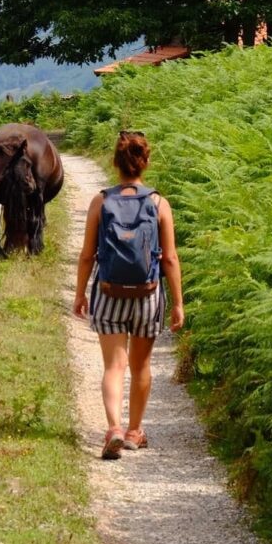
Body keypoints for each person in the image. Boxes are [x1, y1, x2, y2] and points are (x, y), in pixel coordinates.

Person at [73, 130, 184, 460]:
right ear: (145, 162)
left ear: (115, 163)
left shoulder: (101, 201)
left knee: (114, 367)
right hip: (148, 297)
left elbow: (86, 255)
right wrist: (177, 303)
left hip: (109, 294)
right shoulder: (158, 203)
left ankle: (114, 429)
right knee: (141, 365)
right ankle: (135, 432)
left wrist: (80, 294)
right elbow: (170, 258)